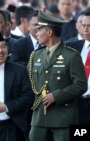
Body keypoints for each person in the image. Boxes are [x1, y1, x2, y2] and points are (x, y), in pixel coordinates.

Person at [28, 11, 87, 141]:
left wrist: (56, 96)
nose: (36, 33)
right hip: (39, 118)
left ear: (49, 32)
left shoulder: (71, 55)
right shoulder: (35, 55)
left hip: (63, 118)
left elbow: (81, 85)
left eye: (39, 29)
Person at [65, 11, 90, 125]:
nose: (85, 29)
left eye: (89, 26)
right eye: (83, 25)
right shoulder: (72, 46)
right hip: (76, 103)